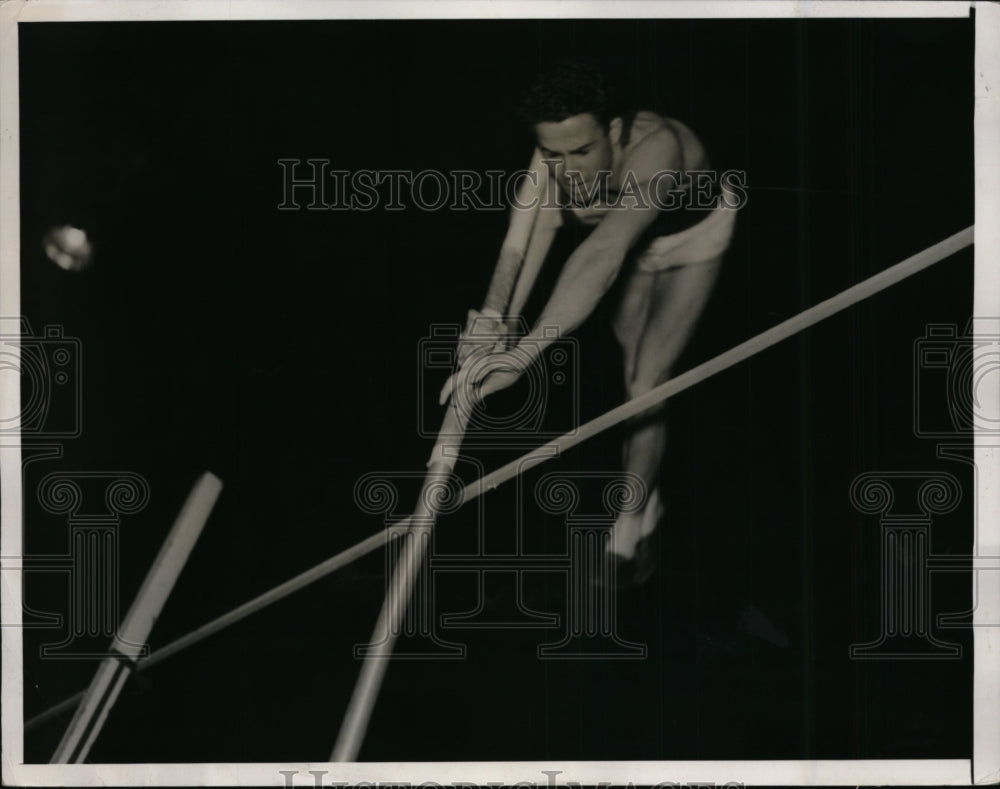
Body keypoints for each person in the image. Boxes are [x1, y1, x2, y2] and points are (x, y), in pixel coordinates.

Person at [440, 60, 741, 585]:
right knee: (631, 379)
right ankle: (645, 488)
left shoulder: (656, 150)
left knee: (646, 383)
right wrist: (497, 322)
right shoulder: (554, 153)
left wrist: (524, 352)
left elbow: (601, 254)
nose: (568, 168)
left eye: (582, 152)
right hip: (636, 251)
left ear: (616, 130)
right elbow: (530, 234)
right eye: (553, 155)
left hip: (691, 243)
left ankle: (631, 520)